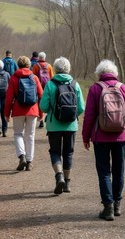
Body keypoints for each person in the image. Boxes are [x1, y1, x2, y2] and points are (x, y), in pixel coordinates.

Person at [82, 59, 125, 221]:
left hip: (100, 137)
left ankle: (108, 208)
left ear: (99, 74)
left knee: (104, 172)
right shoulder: (124, 88)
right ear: (115, 73)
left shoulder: (95, 89)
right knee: (119, 170)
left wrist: (85, 137)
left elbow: (89, 117)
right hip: (121, 137)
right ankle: (117, 205)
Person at [40, 57, 85, 195]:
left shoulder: (50, 84)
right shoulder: (75, 84)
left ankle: (59, 176)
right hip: (71, 126)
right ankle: (67, 182)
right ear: (68, 69)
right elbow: (81, 107)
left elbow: (43, 107)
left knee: (55, 152)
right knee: (68, 152)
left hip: (54, 126)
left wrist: (53, 111)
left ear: (55, 69)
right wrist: (71, 115)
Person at [4, 56, 43, 171]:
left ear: (18, 65)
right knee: (30, 136)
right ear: (28, 65)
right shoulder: (34, 78)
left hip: (18, 110)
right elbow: (41, 96)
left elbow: (9, 98)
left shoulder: (14, 78)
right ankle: (29, 162)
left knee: (18, 134)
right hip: (33, 109)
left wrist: (7, 113)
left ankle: (22, 156)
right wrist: (41, 113)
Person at [32, 51, 54, 128]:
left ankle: (40, 119)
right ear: (44, 57)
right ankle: (47, 118)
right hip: (47, 86)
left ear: (39, 58)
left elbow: (33, 78)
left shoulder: (36, 66)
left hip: (39, 86)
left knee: (39, 102)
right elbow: (52, 78)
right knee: (48, 101)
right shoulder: (49, 66)